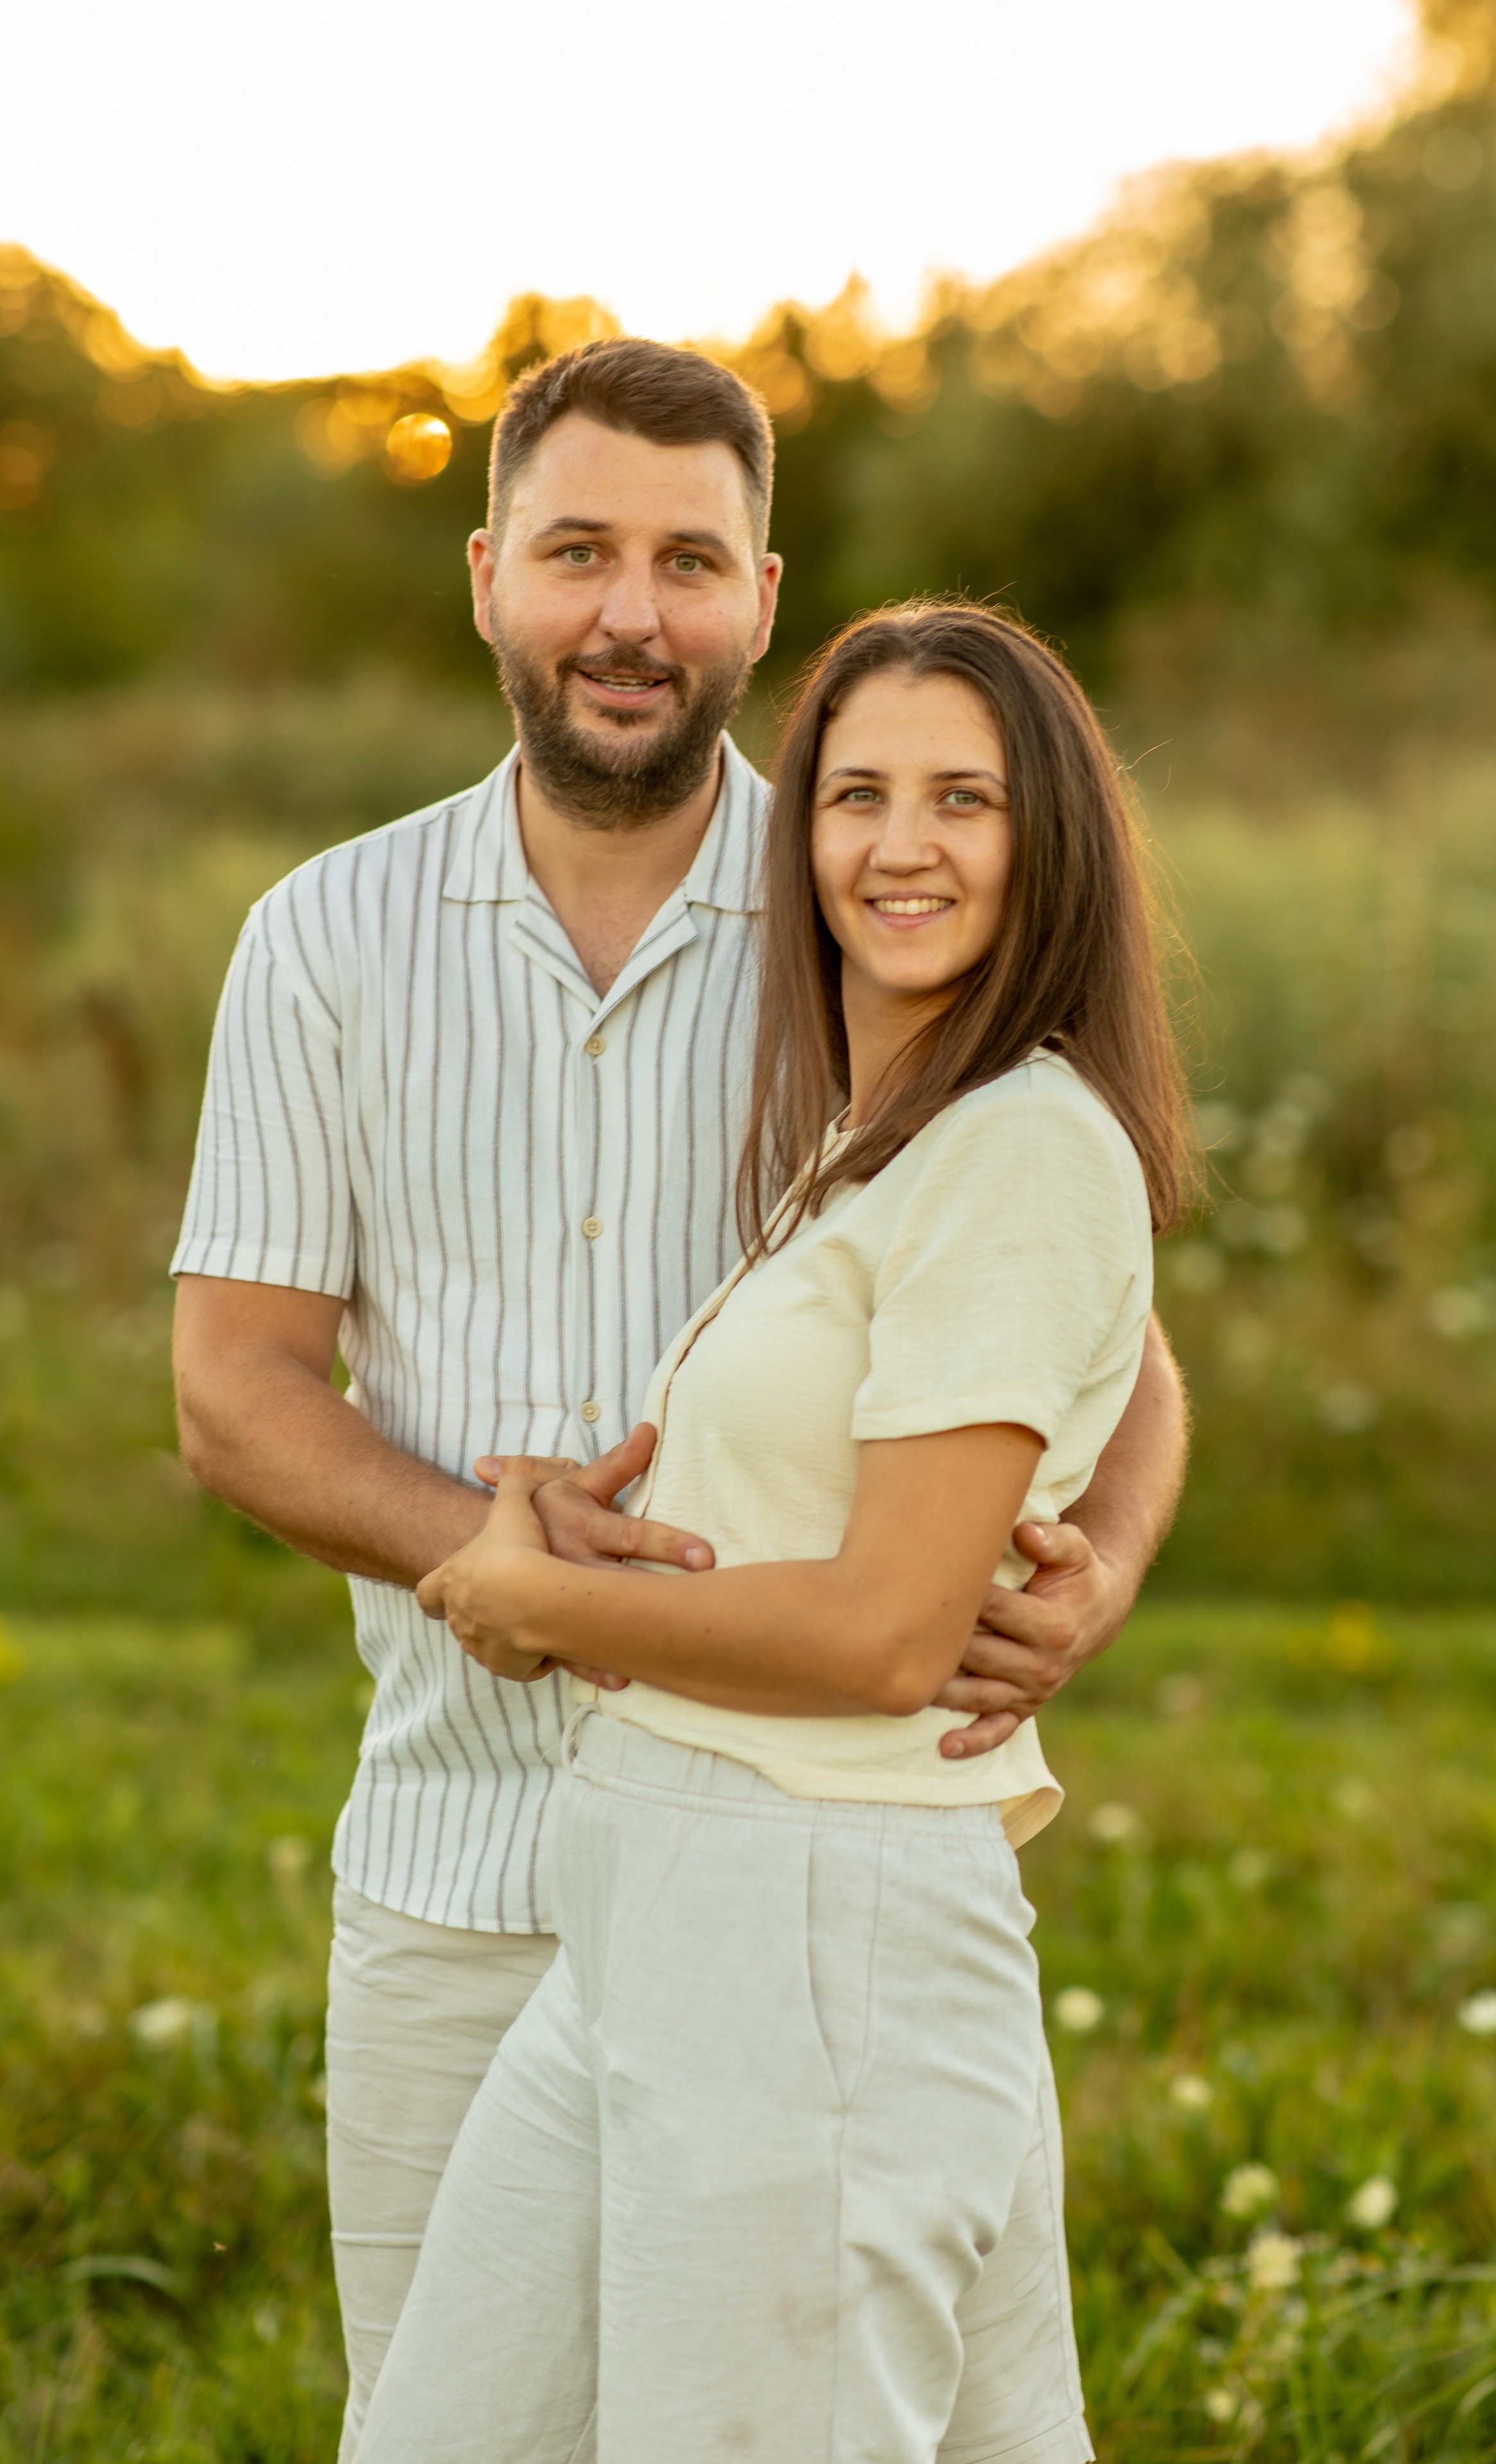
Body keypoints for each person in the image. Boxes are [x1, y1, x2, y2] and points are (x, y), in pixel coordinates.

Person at [170, 342, 1187, 2458]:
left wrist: (1091, 1581)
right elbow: (234, 1394)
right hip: (462, 1849)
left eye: (686, 562)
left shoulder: (864, 915)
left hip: (805, 1854)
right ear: (485, 579)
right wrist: (495, 1562)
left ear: (760, 594)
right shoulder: (325, 938)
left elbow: (1118, 1338)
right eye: (577, 553)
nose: (628, 613)